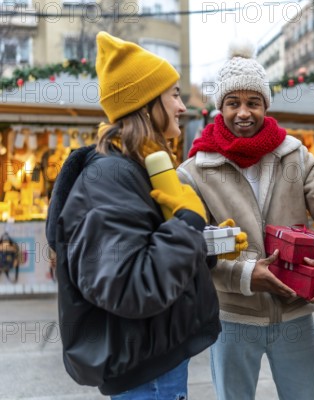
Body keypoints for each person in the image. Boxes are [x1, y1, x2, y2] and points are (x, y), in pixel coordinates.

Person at [177, 43, 314, 400]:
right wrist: (246, 274)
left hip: (294, 314)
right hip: (233, 317)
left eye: (253, 102)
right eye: (234, 103)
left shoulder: (295, 155)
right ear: (221, 108)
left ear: (266, 106)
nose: (244, 112)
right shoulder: (194, 171)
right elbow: (191, 245)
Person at [45, 32, 221, 398]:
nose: (182, 106)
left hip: (158, 364)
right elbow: (131, 286)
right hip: (147, 376)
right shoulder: (110, 177)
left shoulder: (136, 169)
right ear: (145, 104)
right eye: (173, 94)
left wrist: (207, 241)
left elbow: (152, 249)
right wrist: (188, 222)